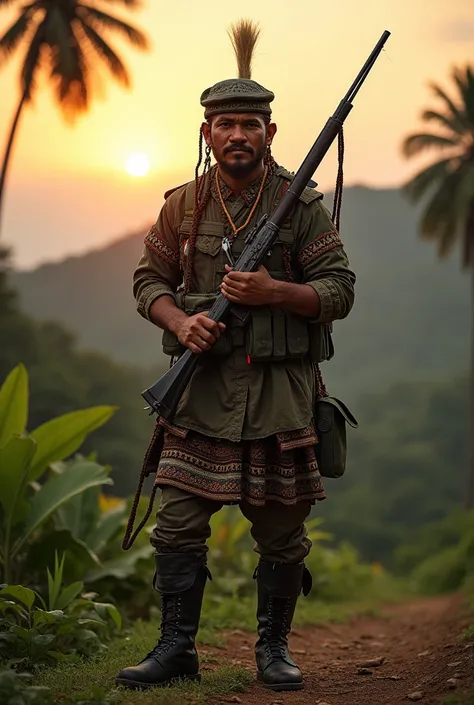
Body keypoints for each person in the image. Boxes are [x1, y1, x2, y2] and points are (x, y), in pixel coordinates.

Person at [116, 20, 355, 693]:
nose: (237, 135)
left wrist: (276, 290)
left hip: (280, 396)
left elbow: (340, 290)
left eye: (250, 123)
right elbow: (147, 282)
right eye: (225, 124)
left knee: (282, 534)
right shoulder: (184, 207)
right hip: (199, 394)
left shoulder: (300, 205)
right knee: (178, 524)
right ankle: (175, 648)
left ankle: (272, 649)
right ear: (207, 133)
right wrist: (178, 320)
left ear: (270, 133)